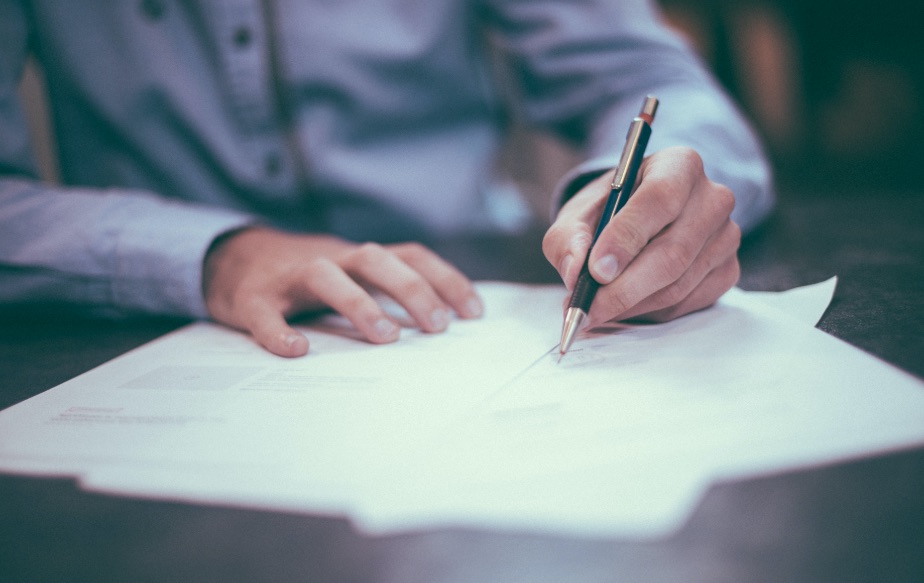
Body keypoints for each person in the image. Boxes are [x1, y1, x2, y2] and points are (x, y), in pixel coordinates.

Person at [0, 0, 773, 357]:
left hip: (466, 300)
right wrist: (214, 253)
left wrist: (641, 196)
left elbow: (650, 78)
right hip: (140, 330)